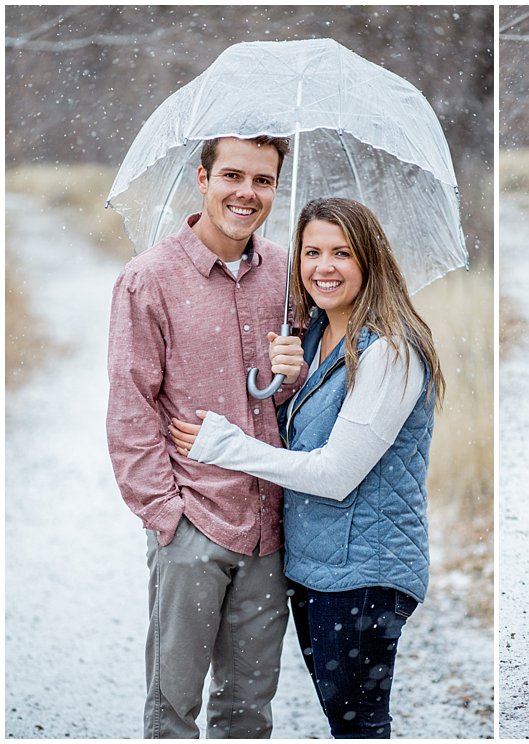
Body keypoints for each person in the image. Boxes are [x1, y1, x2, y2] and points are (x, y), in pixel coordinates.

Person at [168, 197, 444, 738]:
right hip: (316, 569)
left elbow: (334, 473)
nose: (324, 266)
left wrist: (225, 445)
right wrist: (283, 382)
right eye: (312, 252)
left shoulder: (392, 350)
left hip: (365, 572)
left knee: (359, 724)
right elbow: (301, 434)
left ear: (370, 260)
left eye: (342, 253)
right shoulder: (314, 336)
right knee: (344, 719)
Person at [106, 134, 305, 738]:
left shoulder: (288, 276)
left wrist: (294, 376)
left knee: (248, 713)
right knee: (173, 710)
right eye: (234, 176)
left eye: (263, 181)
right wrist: (167, 517)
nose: (247, 193)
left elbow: (283, 408)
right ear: (203, 179)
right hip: (193, 523)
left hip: (270, 528)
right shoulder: (149, 279)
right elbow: (129, 407)